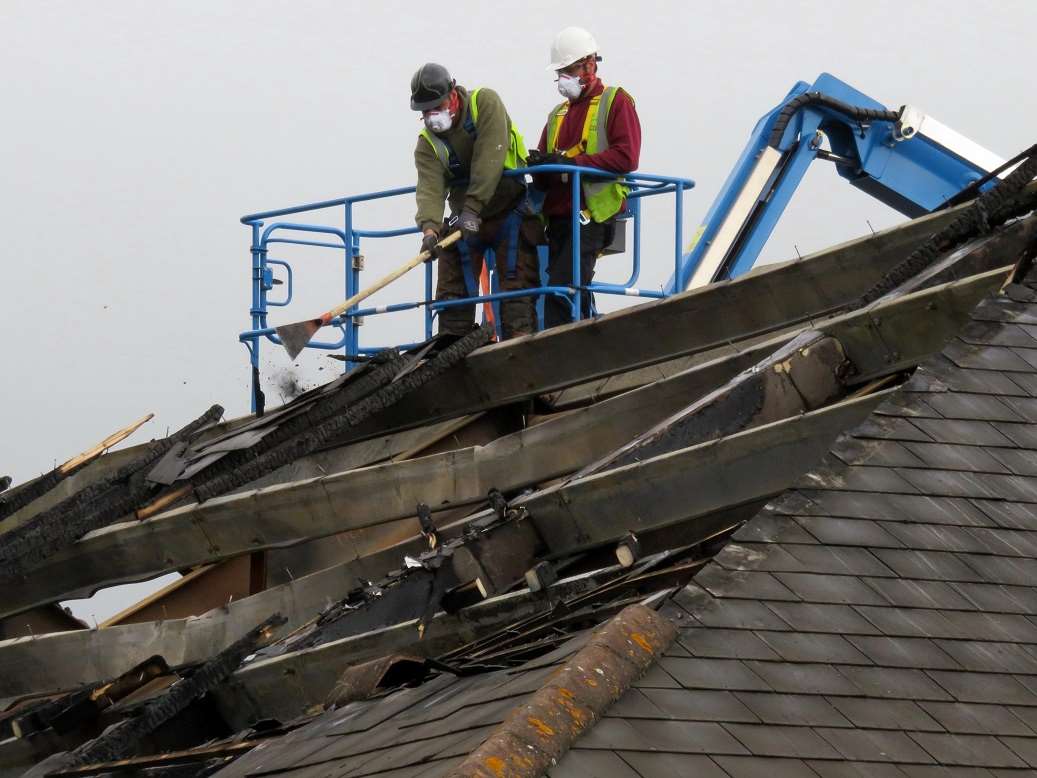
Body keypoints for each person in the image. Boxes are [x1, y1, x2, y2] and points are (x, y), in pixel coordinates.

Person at [411, 63, 541, 340]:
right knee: (452, 289)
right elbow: (429, 188)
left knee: (517, 287)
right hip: (463, 219)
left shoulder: (485, 103)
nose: (432, 116)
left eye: (437, 106)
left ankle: (520, 353)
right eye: (426, 111)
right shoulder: (427, 143)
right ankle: (450, 352)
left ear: (453, 95)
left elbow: (489, 158)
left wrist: (473, 207)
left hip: (509, 209)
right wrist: (430, 230)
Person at [527, 27, 641, 328]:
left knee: (562, 288)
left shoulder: (615, 102)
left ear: (590, 64)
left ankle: (561, 352)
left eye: (569, 69)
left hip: (593, 216)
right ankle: (583, 336)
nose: (563, 77)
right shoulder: (557, 115)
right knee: (562, 285)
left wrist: (570, 163)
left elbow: (626, 157)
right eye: (560, 71)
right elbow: (547, 167)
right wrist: (541, 168)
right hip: (559, 219)